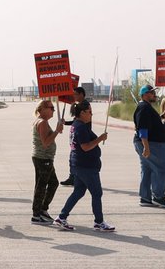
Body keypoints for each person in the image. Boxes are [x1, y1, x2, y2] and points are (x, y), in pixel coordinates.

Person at [52, 100, 114, 232]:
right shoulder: (80, 127)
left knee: (79, 191)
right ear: (82, 113)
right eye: (89, 112)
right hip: (85, 166)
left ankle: (61, 217)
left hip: (80, 164)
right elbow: (85, 147)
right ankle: (99, 222)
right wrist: (100, 139)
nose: (91, 115)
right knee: (97, 193)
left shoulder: (77, 124)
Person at [133, 85, 165, 207]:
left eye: (153, 92)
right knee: (162, 168)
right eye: (151, 93)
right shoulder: (144, 107)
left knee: (148, 169)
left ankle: (145, 198)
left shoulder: (145, 107)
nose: (154, 94)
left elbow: (150, 124)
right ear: (144, 94)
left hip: (149, 142)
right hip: (152, 143)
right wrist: (146, 147)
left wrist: (162, 117)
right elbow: (143, 128)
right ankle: (158, 196)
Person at [30, 98, 64, 223]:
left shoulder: (42, 121)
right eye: (51, 108)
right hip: (43, 158)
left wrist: (57, 129)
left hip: (44, 158)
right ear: (42, 109)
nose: (53, 110)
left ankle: (42, 210)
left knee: (53, 183)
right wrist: (56, 131)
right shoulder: (42, 122)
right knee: (41, 186)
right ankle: (37, 213)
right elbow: (45, 142)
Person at [60, 86, 87, 186]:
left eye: (75, 94)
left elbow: (82, 121)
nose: (73, 96)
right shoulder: (80, 104)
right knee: (73, 157)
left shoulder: (84, 105)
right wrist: (66, 122)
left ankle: (76, 178)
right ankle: (74, 177)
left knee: (75, 157)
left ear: (81, 94)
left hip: (81, 135)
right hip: (77, 134)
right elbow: (76, 120)